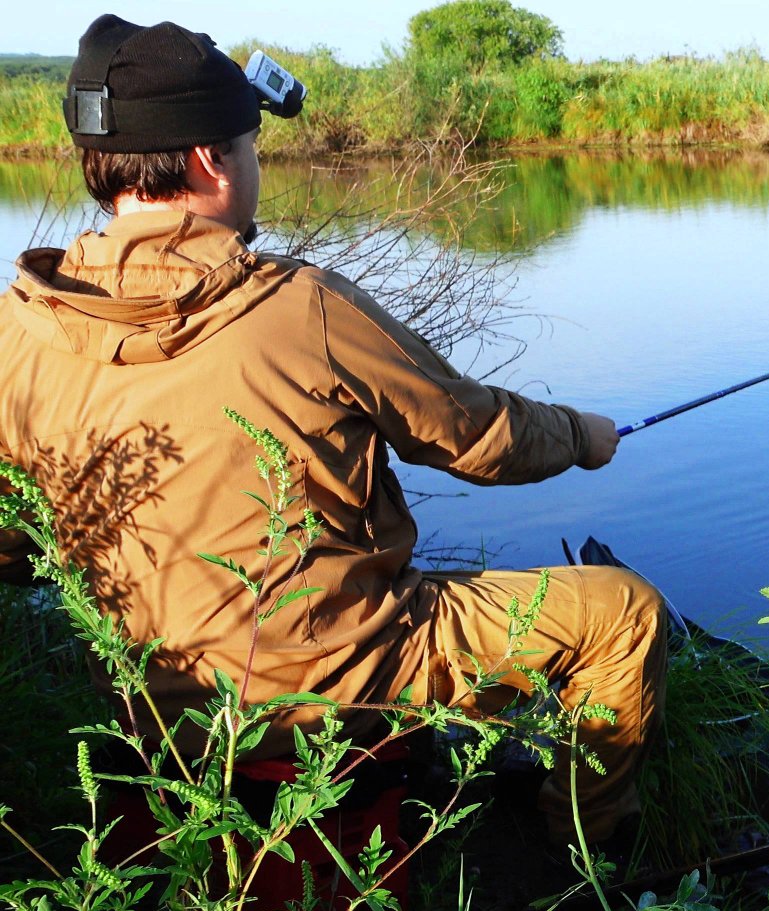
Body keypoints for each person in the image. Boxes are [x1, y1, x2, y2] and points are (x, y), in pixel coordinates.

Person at [0, 15, 662, 846]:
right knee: (622, 613)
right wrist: (582, 436)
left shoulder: (17, 332)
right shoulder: (299, 307)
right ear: (209, 160)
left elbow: (11, 548)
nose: (255, 166)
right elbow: (478, 438)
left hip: (151, 708)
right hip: (328, 688)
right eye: (251, 146)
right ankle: (585, 859)